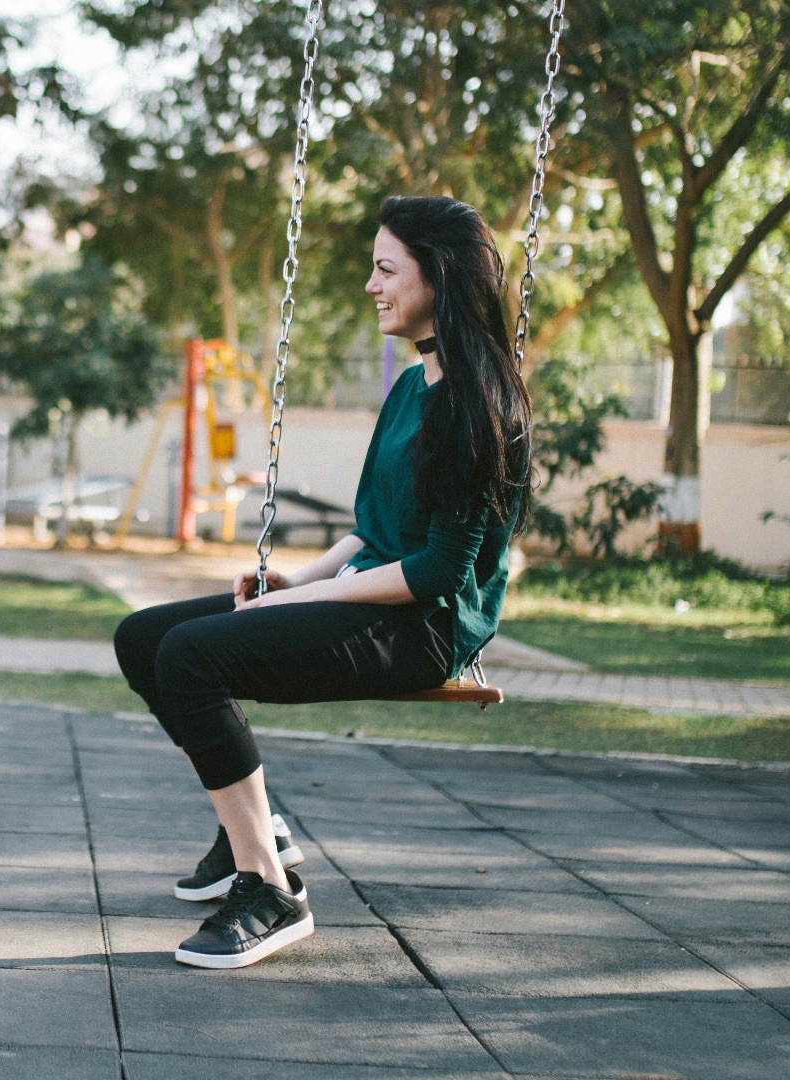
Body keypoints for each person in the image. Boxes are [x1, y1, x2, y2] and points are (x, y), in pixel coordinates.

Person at [113, 196, 532, 969]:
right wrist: (293, 577)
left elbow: (437, 570)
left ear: (437, 276)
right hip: (375, 589)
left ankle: (268, 889)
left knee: (192, 659)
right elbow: (374, 529)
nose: (372, 285)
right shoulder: (412, 388)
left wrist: (308, 598)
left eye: (386, 268)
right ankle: (255, 827)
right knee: (144, 639)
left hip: (426, 625)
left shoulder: (478, 403)